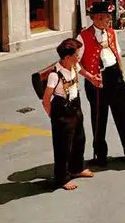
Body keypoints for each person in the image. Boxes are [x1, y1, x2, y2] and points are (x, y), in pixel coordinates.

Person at [77, 1, 125, 167]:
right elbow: (75, 63)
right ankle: (100, 156)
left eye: (109, 17)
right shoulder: (83, 36)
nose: (109, 20)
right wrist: (90, 77)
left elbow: (118, 54)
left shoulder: (112, 33)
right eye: (107, 17)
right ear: (97, 18)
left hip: (115, 77)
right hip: (97, 81)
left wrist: (122, 75)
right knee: (99, 119)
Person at [42, 38, 98, 190]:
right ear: (67, 57)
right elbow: (46, 100)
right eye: (76, 54)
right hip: (62, 109)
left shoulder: (74, 65)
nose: (79, 57)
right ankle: (62, 178)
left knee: (79, 139)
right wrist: (54, 116)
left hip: (75, 105)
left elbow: (82, 71)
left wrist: (92, 78)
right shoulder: (55, 75)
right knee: (63, 146)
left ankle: (77, 168)